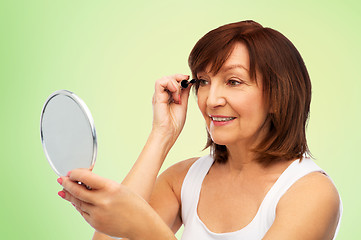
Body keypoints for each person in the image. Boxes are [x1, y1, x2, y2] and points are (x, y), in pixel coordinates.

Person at [57, 20, 342, 240]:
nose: (211, 100)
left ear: (278, 96)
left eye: (233, 81)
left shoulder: (311, 193)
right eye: (203, 81)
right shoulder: (184, 180)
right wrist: (162, 134)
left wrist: (147, 229)